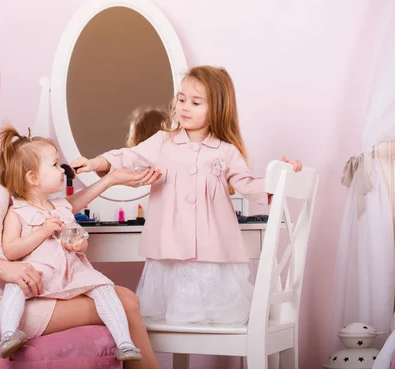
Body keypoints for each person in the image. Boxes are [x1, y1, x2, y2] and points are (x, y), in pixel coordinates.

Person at [0, 47, 162, 369]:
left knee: (123, 301)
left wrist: (110, 180)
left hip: (18, 287)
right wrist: (3, 269)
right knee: (125, 303)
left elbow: (44, 209)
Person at [72, 66, 302, 325]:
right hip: (170, 256)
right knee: (172, 320)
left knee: (218, 318)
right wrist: (96, 162)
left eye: (195, 102)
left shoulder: (226, 152)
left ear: (217, 108)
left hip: (213, 255)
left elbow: (248, 185)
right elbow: (128, 156)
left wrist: (281, 177)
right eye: (181, 99)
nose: (184, 107)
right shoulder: (162, 142)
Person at [0, 125, 142, 361]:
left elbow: (78, 236)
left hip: (71, 273)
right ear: (32, 178)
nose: (62, 169)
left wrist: (79, 245)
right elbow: (11, 250)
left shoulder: (61, 207)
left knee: (104, 288)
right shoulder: (18, 212)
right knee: (14, 287)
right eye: (54, 164)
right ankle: (9, 334)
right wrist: (42, 232)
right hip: (40, 276)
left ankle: (125, 343)